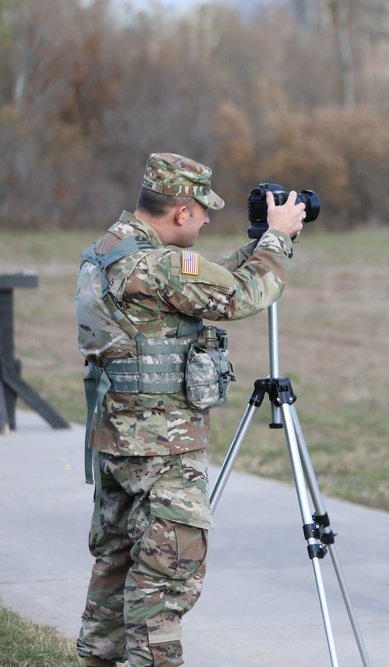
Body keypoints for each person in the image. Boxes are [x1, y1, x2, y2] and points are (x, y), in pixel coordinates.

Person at [74, 153, 305, 667]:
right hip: (162, 449)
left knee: (116, 562)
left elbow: (206, 283)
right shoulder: (161, 266)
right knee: (165, 576)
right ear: (181, 211)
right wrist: (280, 238)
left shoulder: (111, 249)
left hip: (118, 439)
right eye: (203, 211)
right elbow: (245, 294)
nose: (206, 220)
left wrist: (260, 243)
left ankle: (98, 657)